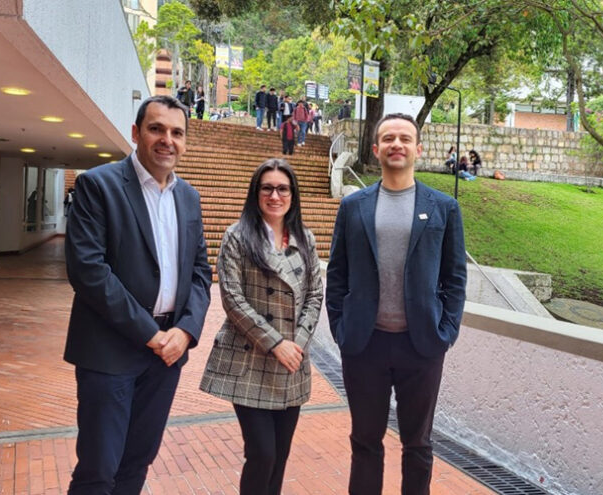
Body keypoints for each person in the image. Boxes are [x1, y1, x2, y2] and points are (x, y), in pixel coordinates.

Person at [64, 95, 213, 495]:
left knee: (137, 463)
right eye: (156, 129)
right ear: (135, 133)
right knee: (99, 468)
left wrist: (185, 331)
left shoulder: (189, 197)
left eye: (177, 132)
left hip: (166, 355)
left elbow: (200, 273)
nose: (167, 140)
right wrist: (150, 333)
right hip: (110, 350)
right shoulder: (99, 185)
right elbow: (88, 272)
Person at [326, 113, 467, 495]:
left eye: (405, 138)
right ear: (376, 149)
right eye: (388, 138)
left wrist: (446, 331)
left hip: (421, 346)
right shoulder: (354, 206)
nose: (396, 144)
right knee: (365, 442)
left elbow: (455, 278)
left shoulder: (444, 207)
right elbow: (337, 274)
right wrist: (341, 328)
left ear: (418, 149)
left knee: (418, 445)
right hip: (364, 344)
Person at [200, 158, 323, 495]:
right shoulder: (237, 237)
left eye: (283, 188)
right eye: (266, 188)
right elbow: (232, 300)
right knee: (262, 454)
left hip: (293, 362)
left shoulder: (304, 238)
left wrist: (295, 343)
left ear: (293, 195)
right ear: (255, 193)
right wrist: (276, 343)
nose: (274, 195)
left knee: (280, 456)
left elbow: (315, 293)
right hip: (251, 360)